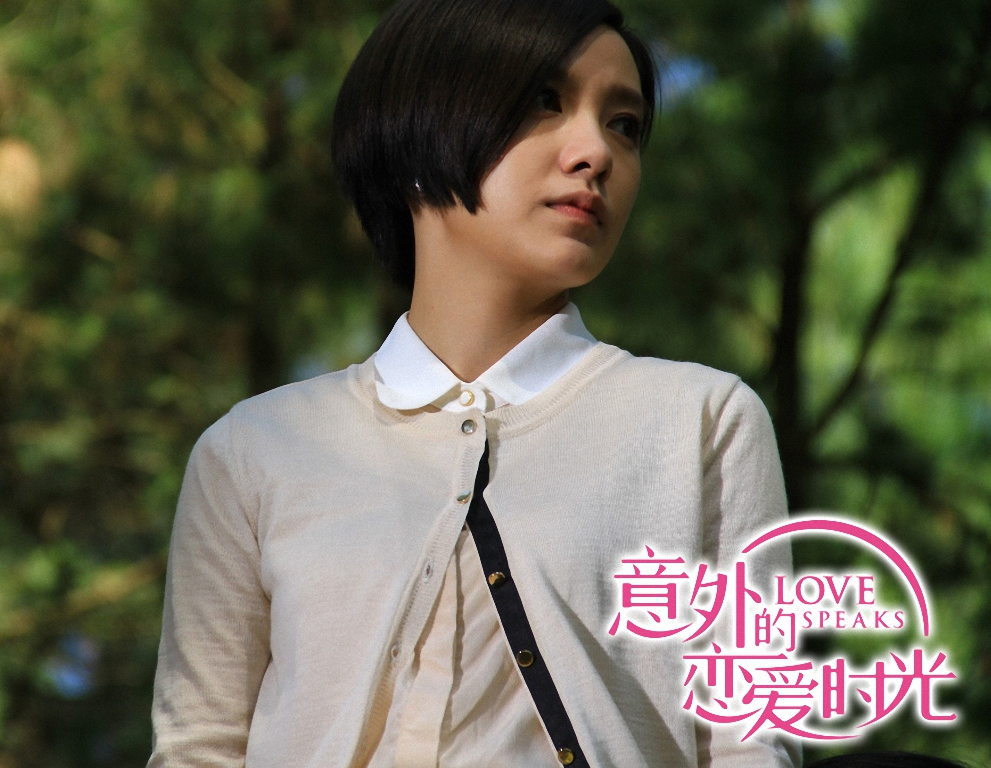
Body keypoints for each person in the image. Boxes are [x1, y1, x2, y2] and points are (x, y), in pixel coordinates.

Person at [147, 0, 798, 765]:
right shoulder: (253, 453)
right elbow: (198, 750)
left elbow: (752, 746)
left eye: (625, 125)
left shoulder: (703, 423)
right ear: (418, 127)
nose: (596, 152)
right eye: (545, 100)